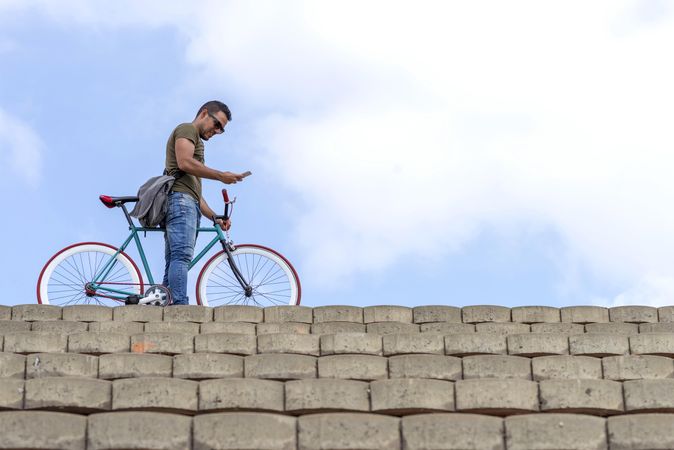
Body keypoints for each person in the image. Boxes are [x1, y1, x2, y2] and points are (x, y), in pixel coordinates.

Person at [163, 100, 245, 305]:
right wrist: (220, 176)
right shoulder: (187, 128)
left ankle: (163, 303)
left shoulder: (196, 141)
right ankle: (179, 306)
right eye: (217, 124)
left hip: (186, 201)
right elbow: (184, 162)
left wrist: (214, 217)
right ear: (204, 113)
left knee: (174, 261)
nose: (217, 131)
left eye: (222, 130)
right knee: (181, 256)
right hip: (181, 203)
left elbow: (194, 193)